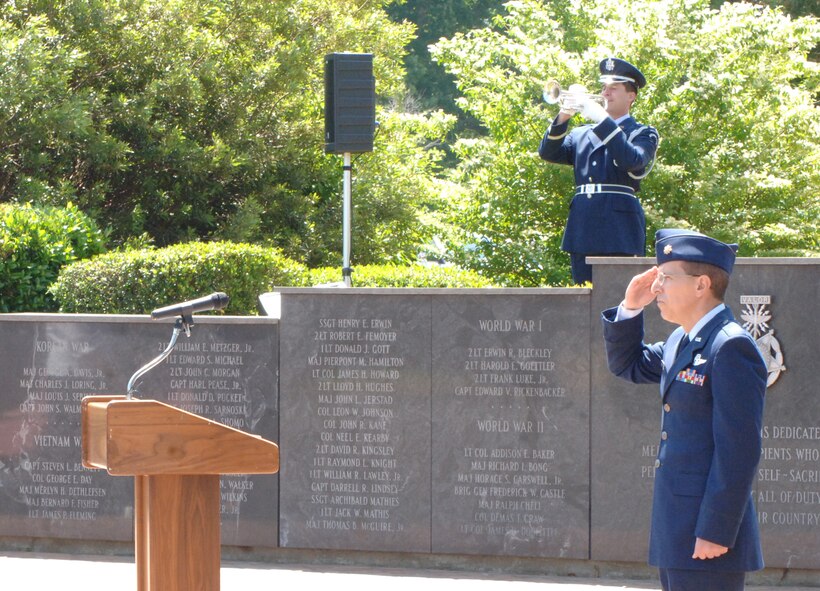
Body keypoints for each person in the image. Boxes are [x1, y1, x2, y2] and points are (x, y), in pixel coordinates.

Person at [601, 229, 767, 591]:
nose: (657, 287)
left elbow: (738, 450)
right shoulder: (682, 339)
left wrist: (716, 530)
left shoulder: (730, 346)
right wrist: (630, 306)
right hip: (676, 528)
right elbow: (628, 364)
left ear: (701, 285)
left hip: (707, 534)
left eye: (666, 277)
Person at [539, 57, 659, 284]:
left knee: (621, 297)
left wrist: (602, 119)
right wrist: (564, 115)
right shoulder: (582, 133)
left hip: (620, 229)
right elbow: (548, 153)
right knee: (584, 300)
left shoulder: (642, 133)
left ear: (631, 96)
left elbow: (632, 160)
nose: (606, 93)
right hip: (583, 225)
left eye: (614, 88)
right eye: (604, 88)